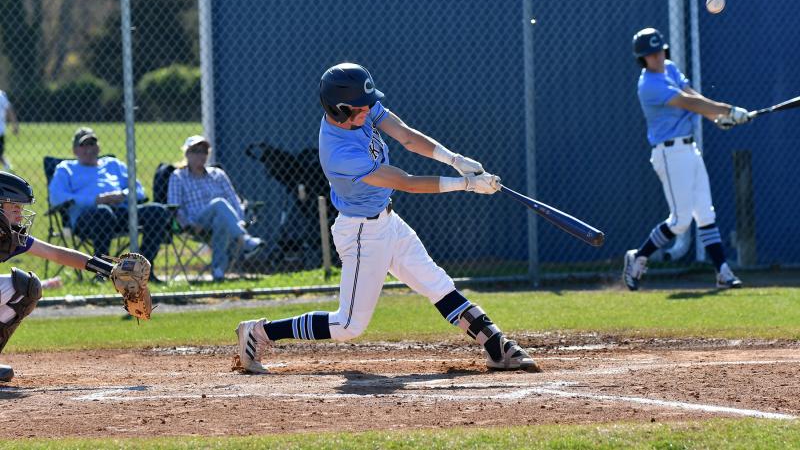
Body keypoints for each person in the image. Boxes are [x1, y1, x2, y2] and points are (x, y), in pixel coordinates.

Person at [234, 62, 539, 374]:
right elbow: (404, 180)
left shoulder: (362, 108)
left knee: (438, 284)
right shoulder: (340, 154)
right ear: (338, 109)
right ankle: (258, 334)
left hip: (388, 222)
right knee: (348, 325)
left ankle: (495, 345)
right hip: (361, 233)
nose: (369, 109)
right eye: (360, 107)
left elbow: (406, 136)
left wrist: (456, 161)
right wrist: (465, 184)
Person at [623, 28, 751, 291]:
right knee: (681, 221)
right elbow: (687, 103)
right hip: (668, 153)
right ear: (642, 58)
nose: (657, 57)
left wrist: (717, 117)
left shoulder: (669, 68)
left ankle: (723, 271)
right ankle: (638, 256)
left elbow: (693, 95)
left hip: (689, 149)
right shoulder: (649, 85)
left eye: (659, 51)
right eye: (651, 54)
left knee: (705, 211)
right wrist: (729, 111)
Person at [0, 171, 123, 382]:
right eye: (15, 208)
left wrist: (108, 270)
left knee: (27, 287)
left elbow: (56, 253)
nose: (20, 215)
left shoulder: (9, 235)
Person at [48, 127, 170, 282]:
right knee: (103, 212)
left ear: (98, 147)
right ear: (75, 150)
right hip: (87, 218)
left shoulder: (113, 164)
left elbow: (139, 190)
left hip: (122, 212)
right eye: (84, 145)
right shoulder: (66, 168)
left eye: (92, 144)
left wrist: (122, 195)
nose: (89, 149)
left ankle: (142, 271)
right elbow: (57, 198)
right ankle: (103, 273)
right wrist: (96, 199)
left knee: (157, 210)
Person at [167, 135, 265, 281]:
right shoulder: (178, 176)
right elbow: (175, 207)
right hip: (198, 221)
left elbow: (234, 200)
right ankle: (244, 239)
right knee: (219, 203)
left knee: (221, 219)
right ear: (187, 153)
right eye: (196, 151)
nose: (201, 155)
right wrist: (188, 224)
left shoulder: (218, 174)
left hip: (225, 221)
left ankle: (218, 271)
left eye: (204, 151)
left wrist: (240, 220)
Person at [0, 90, 19, 171]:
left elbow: (9, 110)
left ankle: (7, 166)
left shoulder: (1, 96)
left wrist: (14, 125)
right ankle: (7, 166)